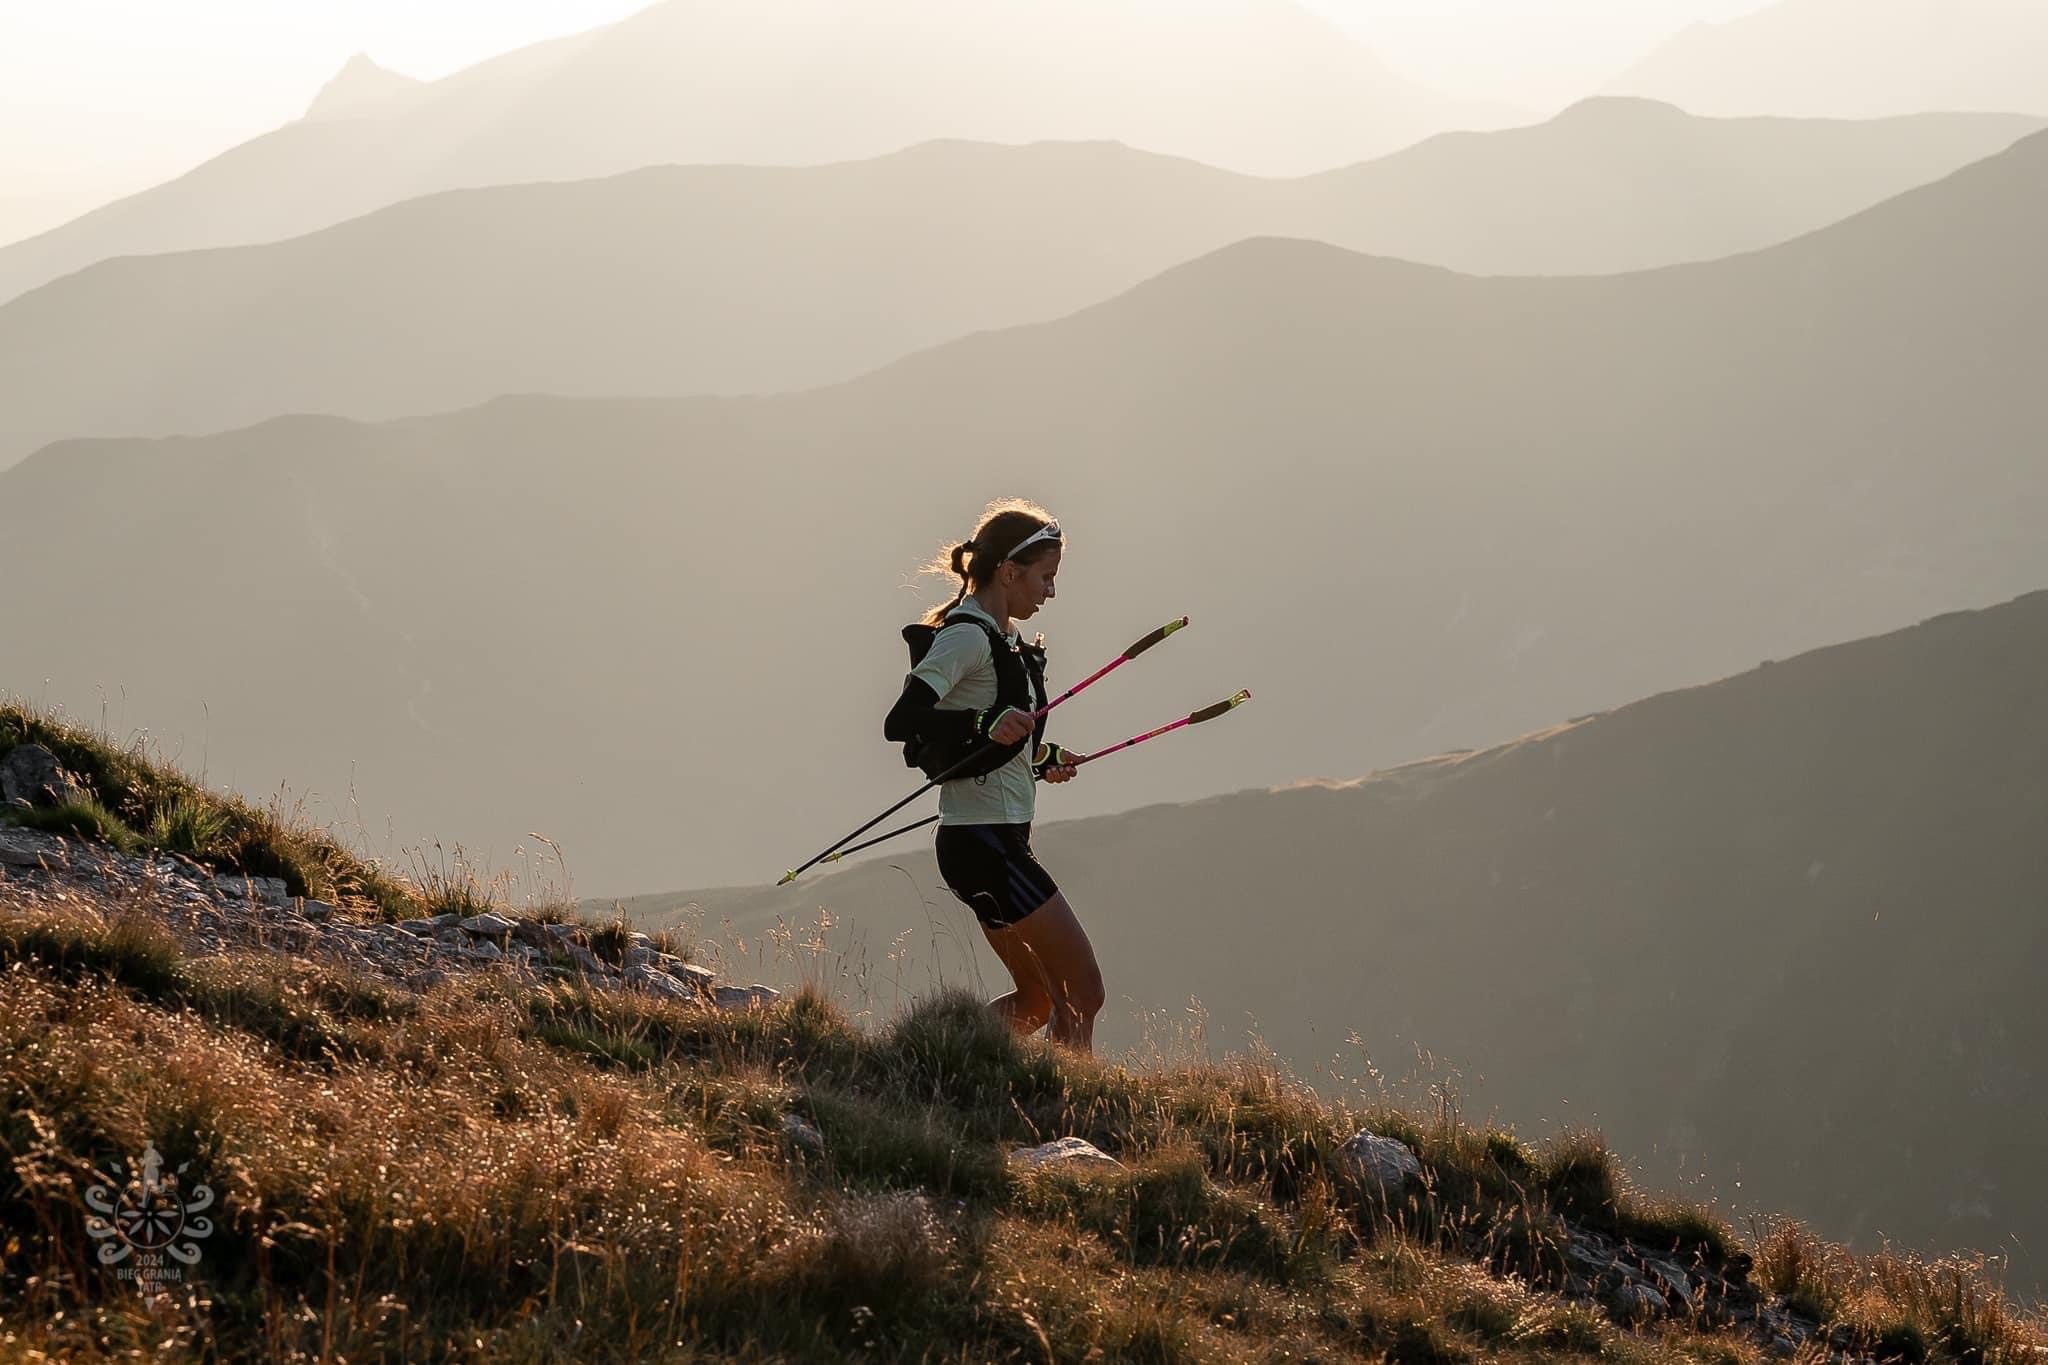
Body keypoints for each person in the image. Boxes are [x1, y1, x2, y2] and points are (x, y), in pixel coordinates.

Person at [882, 500, 1106, 1051]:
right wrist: (986, 719)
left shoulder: (1004, 641)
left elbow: (995, 736)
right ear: (1008, 572)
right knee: (1082, 989)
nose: (1050, 592)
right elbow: (901, 720)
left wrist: (1040, 757)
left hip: (987, 840)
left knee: (1037, 1000)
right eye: (1045, 577)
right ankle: (1064, 1116)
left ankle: (929, 1063)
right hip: (984, 843)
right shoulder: (968, 636)